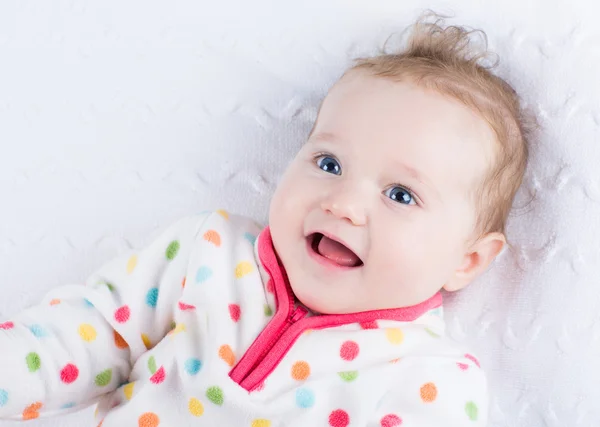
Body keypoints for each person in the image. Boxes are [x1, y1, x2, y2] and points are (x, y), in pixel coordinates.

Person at [0, 12, 536, 427]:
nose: (344, 203)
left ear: (467, 260)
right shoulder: (209, 253)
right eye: (329, 164)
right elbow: (88, 332)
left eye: (400, 195)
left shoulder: (430, 381)